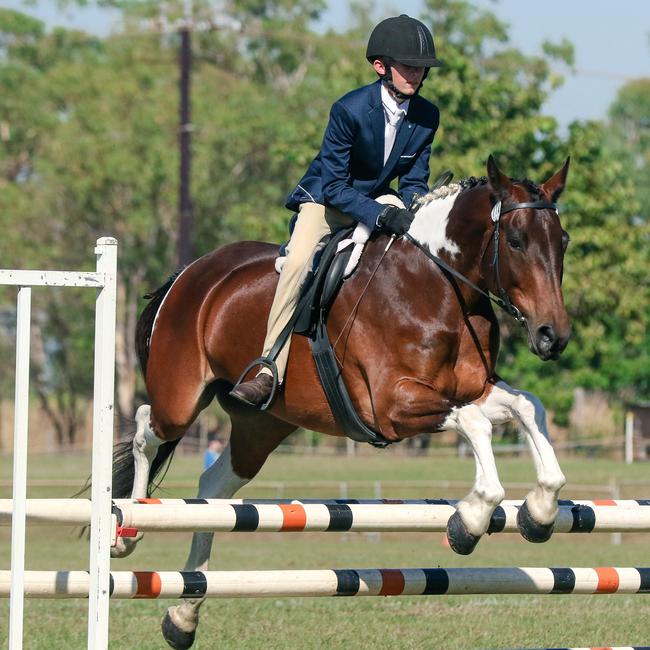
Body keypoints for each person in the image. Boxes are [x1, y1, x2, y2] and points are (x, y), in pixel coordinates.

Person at [230, 14, 442, 408]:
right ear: (381, 67)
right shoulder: (349, 109)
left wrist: (414, 206)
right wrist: (378, 215)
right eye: (408, 66)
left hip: (377, 197)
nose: (416, 74)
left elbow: (414, 178)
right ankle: (266, 368)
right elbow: (334, 186)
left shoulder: (427, 116)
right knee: (296, 263)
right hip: (327, 201)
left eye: (421, 68)